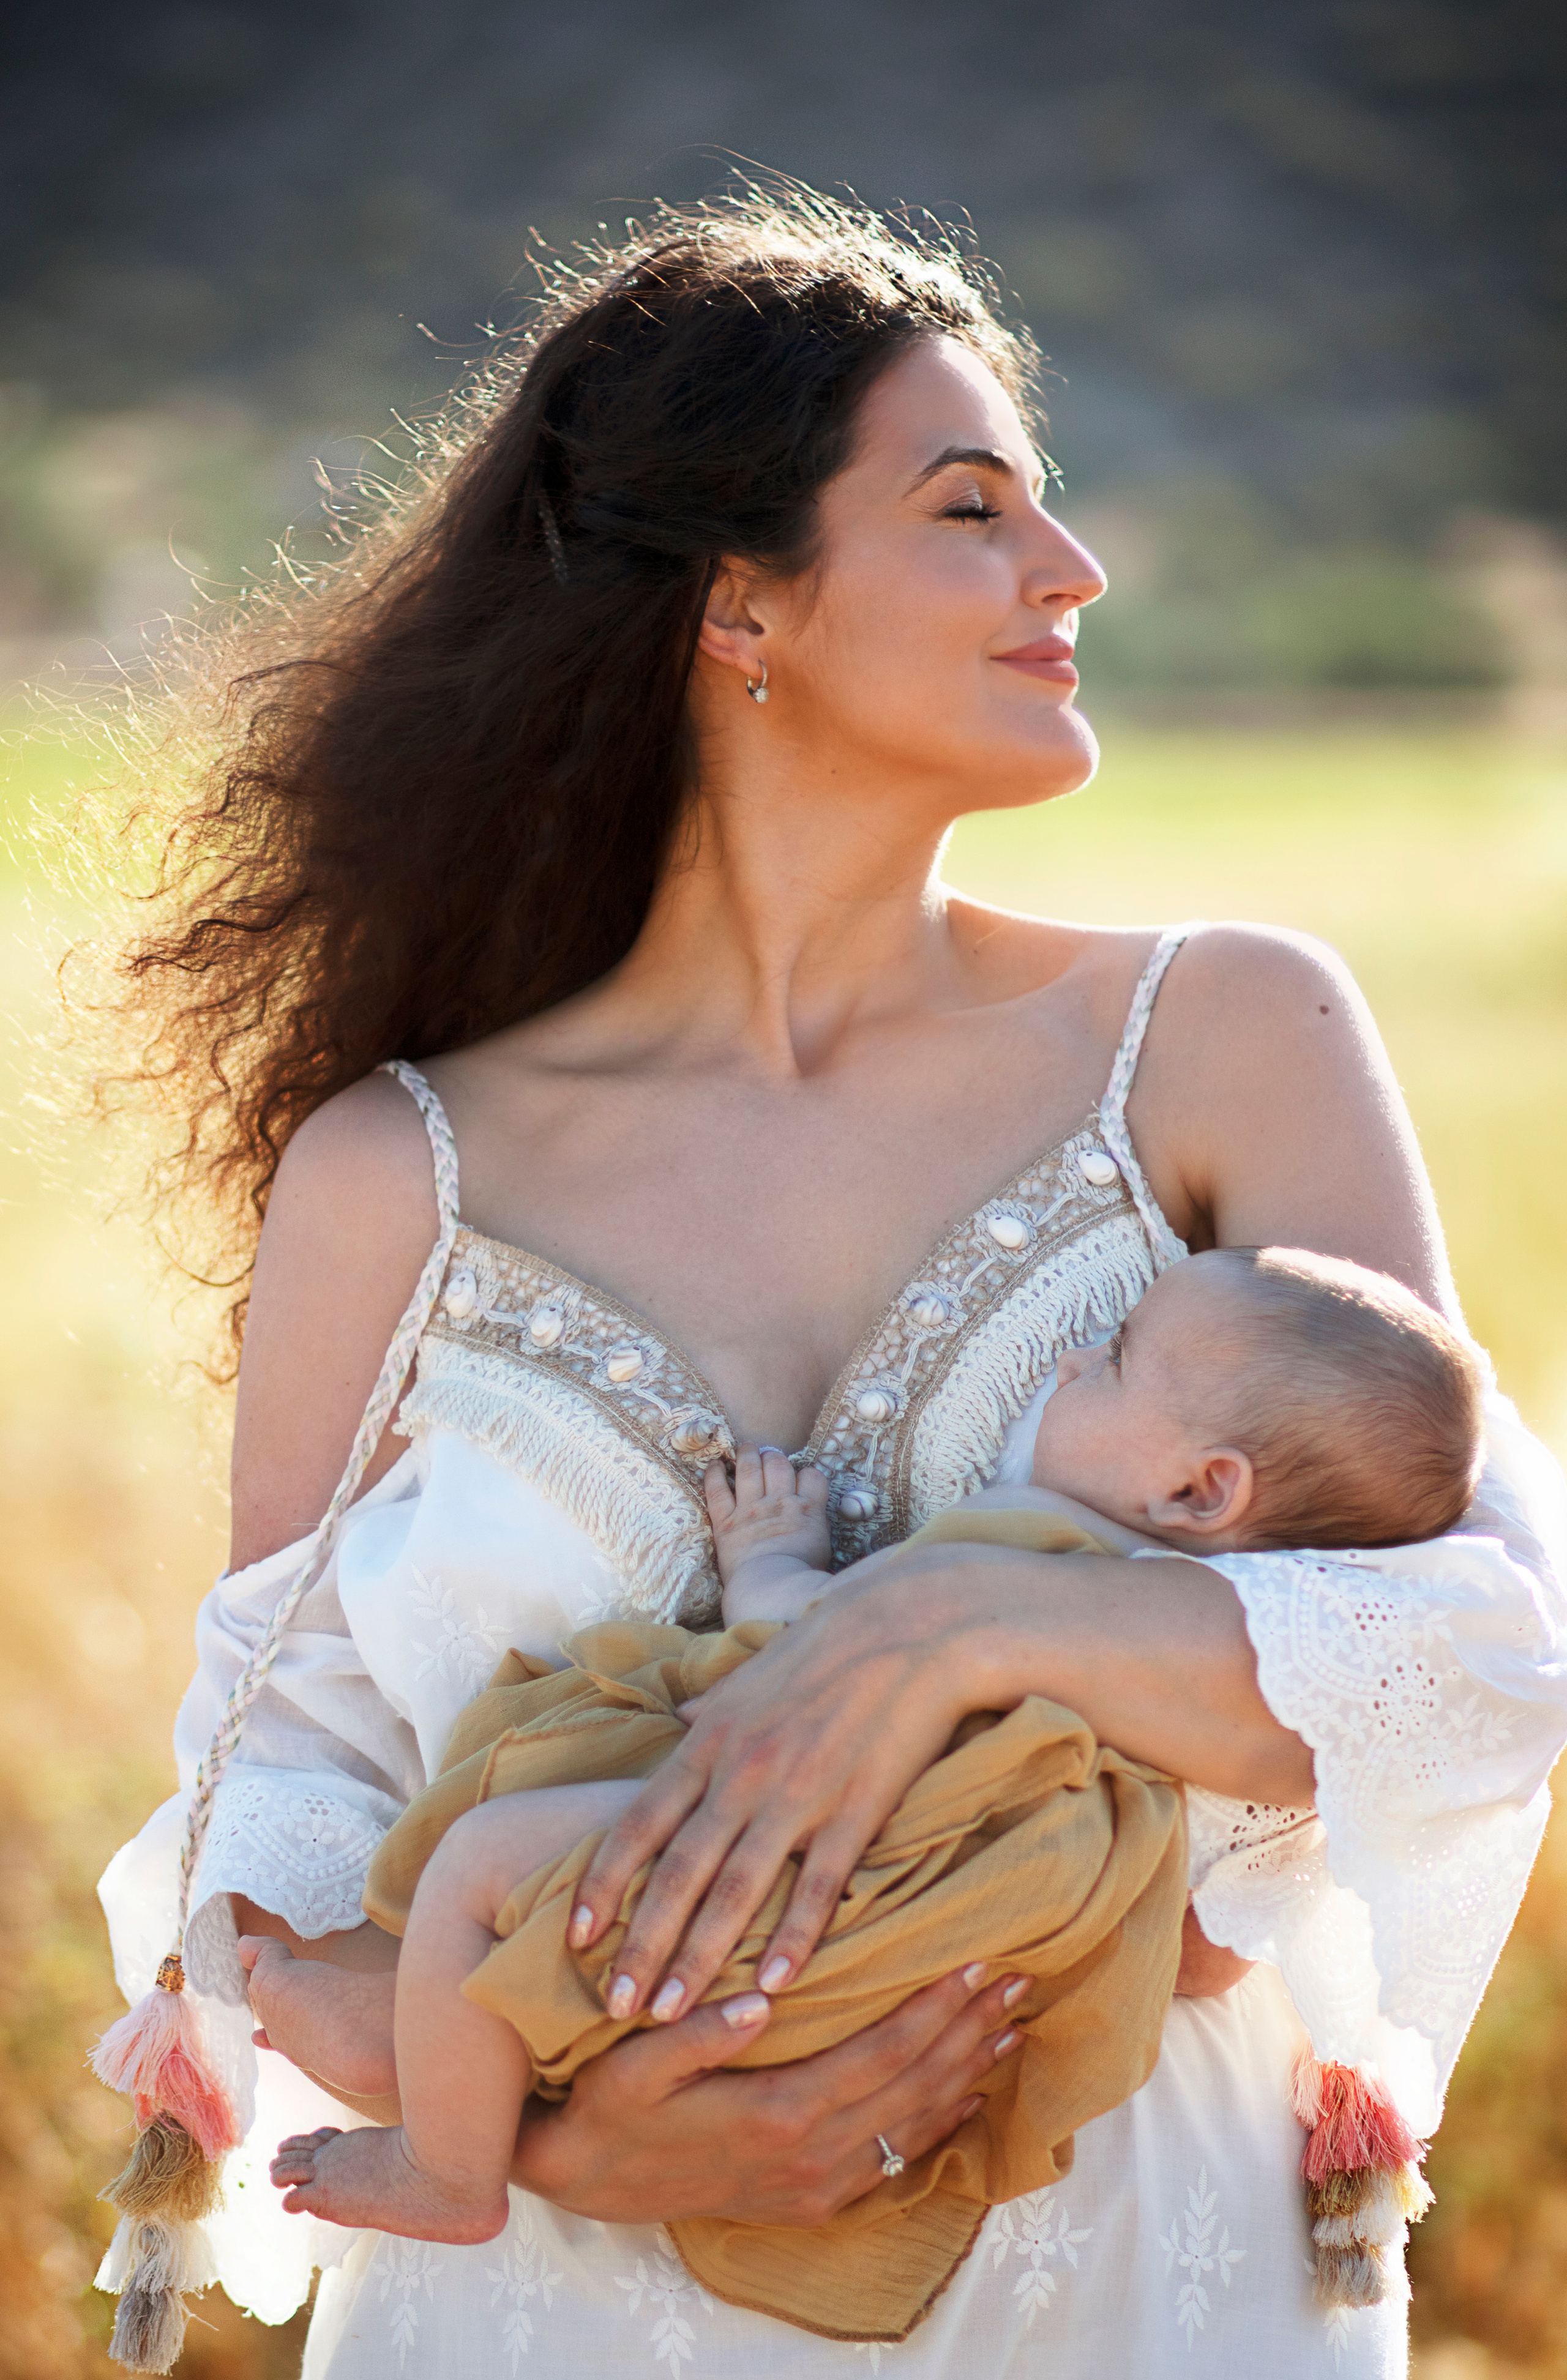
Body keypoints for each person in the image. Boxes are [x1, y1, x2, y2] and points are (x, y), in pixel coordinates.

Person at [92, 187, 1567, 2380]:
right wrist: (582, 2141)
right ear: (740, 604)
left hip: (1144, 2276)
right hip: (545, 2311)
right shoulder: (396, 1174)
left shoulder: (1232, 1038)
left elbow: (1481, 1657)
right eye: (973, 510)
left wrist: (949, 1620)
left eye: (1047, 511)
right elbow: (270, 1811)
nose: (1071, 575)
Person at [241, 1245, 1483, 2308]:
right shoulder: (1194, 1641)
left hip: (839, 1885)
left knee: (485, 1868)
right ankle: (438, 2052)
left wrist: (773, 1558)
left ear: (1199, 1488)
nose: (1062, 1361)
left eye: (1106, 1359)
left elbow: (817, 1659)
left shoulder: (1042, 1554)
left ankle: (448, 2162)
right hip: (934, 1954)